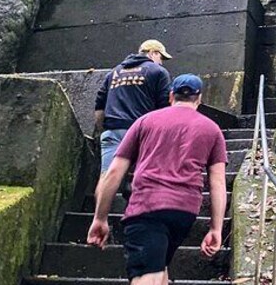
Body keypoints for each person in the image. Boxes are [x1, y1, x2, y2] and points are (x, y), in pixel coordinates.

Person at [87, 74, 228, 285]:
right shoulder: (212, 130)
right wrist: (216, 229)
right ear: (199, 99)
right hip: (184, 213)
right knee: (158, 269)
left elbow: (114, 172)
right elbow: (218, 183)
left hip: (147, 207)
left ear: (171, 96)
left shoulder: (145, 121)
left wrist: (100, 218)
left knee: (147, 275)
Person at [94, 40, 173, 175]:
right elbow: (164, 107)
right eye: (161, 57)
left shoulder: (114, 72)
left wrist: (103, 130)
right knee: (139, 177)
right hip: (141, 134)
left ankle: (104, 189)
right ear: (152, 53)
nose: (161, 62)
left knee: (107, 177)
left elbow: (99, 106)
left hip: (113, 132)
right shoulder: (158, 72)